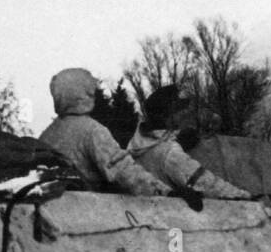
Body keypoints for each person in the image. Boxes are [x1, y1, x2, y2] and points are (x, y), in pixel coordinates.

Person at [38, 68, 186, 201]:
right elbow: (123, 171)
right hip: (90, 214)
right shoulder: (92, 131)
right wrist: (167, 193)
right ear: (81, 94)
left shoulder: (46, 135)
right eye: (89, 91)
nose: (93, 94)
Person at [130, 85, 255, 200]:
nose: (183, 114)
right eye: (179, 110)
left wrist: (177, 138)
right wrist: (246, 196)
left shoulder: (135, 145)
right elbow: (205, 183)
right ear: (168, 115)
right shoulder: (170, 152)